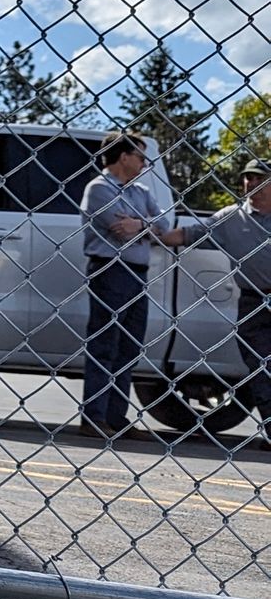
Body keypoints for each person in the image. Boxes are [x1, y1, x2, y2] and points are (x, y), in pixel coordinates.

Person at [77, 133, 193, 436]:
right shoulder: (99, 189)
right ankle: (94, 417)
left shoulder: (140, 191)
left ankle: (115, 417)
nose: (144, 164)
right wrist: (146, 226)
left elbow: (162, 224)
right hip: (110, 270)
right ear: (124, 157)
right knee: (105, 344)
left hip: (137, 273)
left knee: (129, 346)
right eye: (141, 157)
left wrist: (139, 224)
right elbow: (119, 229)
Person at [170, 159, 271, 433]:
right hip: (254, 302)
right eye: (248, 178)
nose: (252, 184)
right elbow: (191, 234)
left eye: (260, 179)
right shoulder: (231, 218)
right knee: (262, 368)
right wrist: (151, 233)